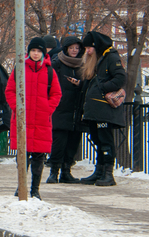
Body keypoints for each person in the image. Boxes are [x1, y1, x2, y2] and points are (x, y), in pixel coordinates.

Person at [6, 37, 62, 200]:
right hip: (23, 119)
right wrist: (18, 108)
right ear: (28, 52)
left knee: (39, 155)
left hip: (41, 120)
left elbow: (56, 94)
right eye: (33, 51)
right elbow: (10, 90)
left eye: (39, 51)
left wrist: (47, 109)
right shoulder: (20, 69)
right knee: (23, 155)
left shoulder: (50, 71)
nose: (36, 54)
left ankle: (35, 189)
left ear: (43, 53)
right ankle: (21, 185)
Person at [79, 31, 127, 187]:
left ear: (96, 46)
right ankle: (99, 171)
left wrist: (102, 88)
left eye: (89, 48)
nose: (87, 51)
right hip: (94, 109)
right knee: (97, 139)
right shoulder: (97, 60)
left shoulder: (111, 58)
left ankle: (108, 173)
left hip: (104, 109)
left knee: (105, 141)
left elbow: (120, 78)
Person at [47, 36, 85, 184]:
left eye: (77, 48)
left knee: (73, 142)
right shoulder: (57, 63)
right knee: (59, 142)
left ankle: (66, 172)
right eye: (72, 48)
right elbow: (49, 84)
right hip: (60, 109)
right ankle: (53, 172)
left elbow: (87, 84)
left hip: (76, 110)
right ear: (66, 49)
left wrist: (80, 84)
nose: (74, 51)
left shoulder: (83, 65)